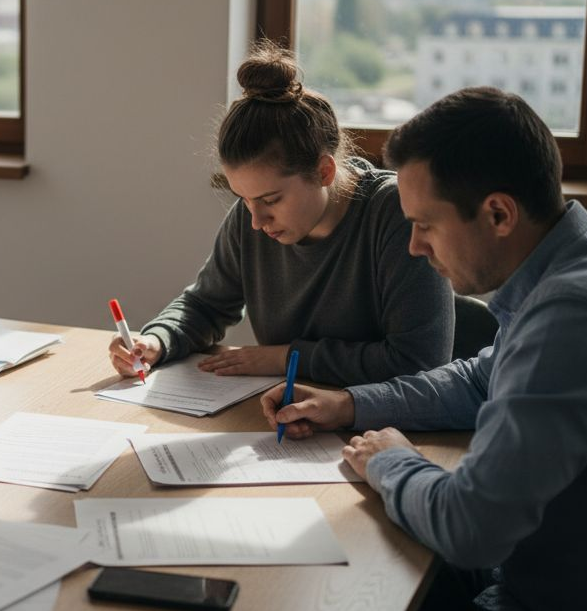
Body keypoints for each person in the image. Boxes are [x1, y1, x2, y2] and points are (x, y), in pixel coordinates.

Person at [262, 87, 587, 611]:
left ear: (498, 213)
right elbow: (480, 378)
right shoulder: (585, 254)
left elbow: (470, 530)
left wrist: (392, 462)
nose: (415, 248)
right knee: (340, 576)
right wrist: (349, 404)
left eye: (425, 225)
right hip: (556, 578)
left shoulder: (575, 318)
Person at [109, 41, 453, 386]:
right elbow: (206, 306)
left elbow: (419, 361)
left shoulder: (397, 214)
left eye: (271, 200)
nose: (256, 221)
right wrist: (154, 341)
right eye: (243, 198)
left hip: (388, 425)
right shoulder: (249, 220)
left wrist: (286, 357)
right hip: (296, 415)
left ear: (324, 172)